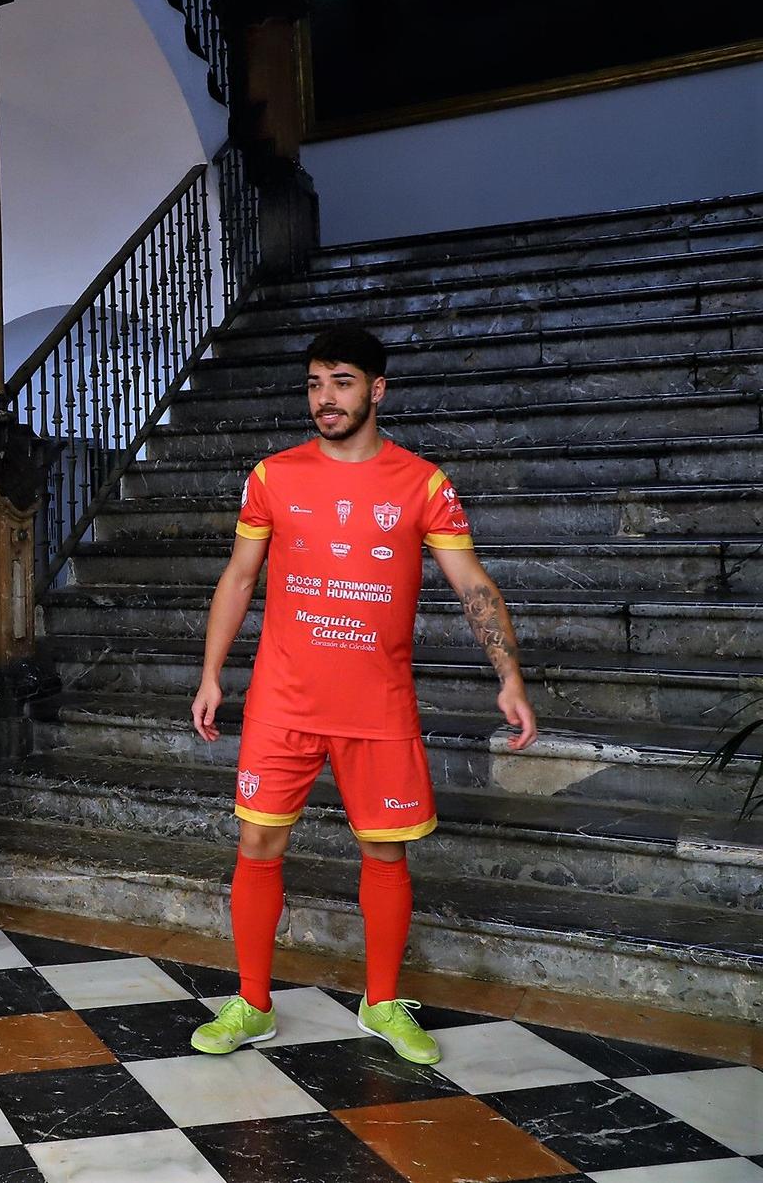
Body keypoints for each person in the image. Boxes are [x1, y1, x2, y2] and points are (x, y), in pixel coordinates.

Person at [188, 326, 537, 1065]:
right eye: (315, 383)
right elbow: (240, 578)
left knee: (384, 853)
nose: (325, 399)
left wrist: (508, 675)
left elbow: (472, 585)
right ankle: (251, 1003)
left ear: (377, 389)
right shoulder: (273, 476)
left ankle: (381, 1003)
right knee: (257, 842)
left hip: (376, 707)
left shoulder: (423, 484)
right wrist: (213, 672)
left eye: (342, 382)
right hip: (284, 703)